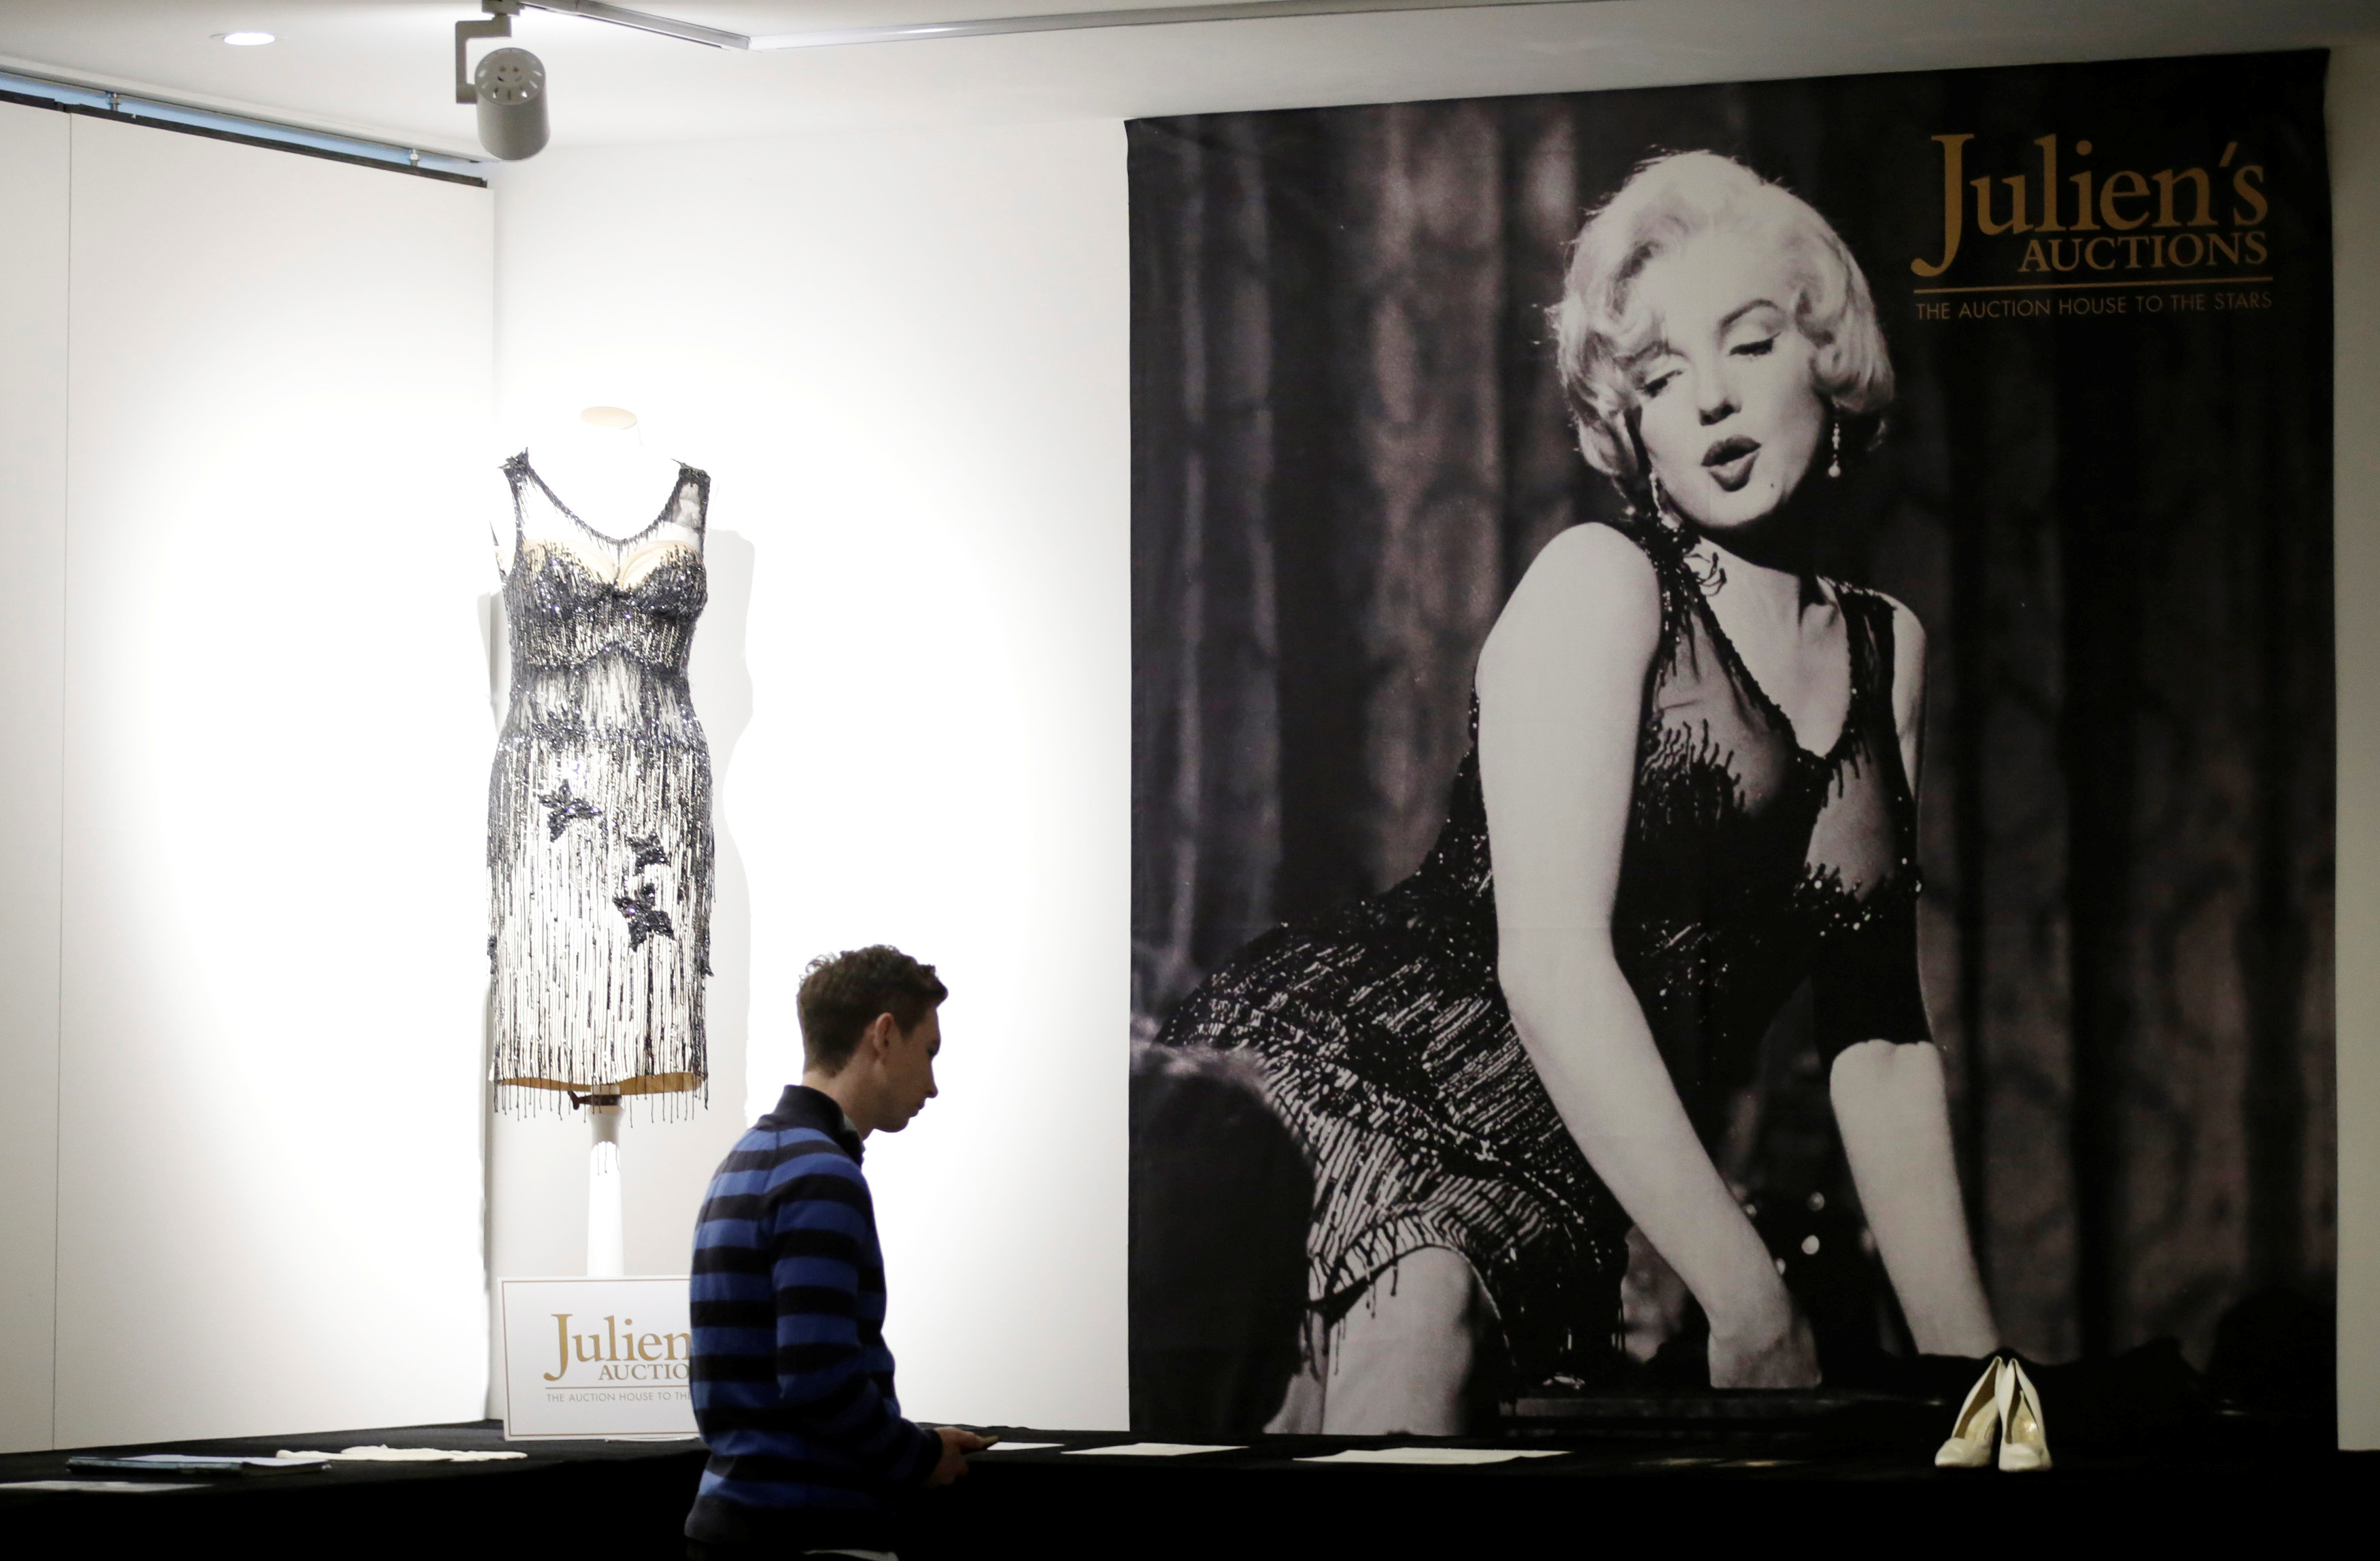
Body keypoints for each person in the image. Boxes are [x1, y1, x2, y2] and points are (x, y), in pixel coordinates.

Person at [1138, 150, 1999, 1436]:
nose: (1710, 399)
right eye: (1661, 379)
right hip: (1375, 1070)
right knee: (1421, 1328)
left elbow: (1876, 1043)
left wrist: (1982, 1386)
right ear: (1634, 432)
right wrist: (1744, 1293)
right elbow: (1550, 970)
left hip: (1563, 1165)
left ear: (1827, 357)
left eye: (1750, 346)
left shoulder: (1890, 649)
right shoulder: (1603, 583)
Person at [686, 945, 987, 1560]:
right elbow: (818, 1380)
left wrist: (914, 1439)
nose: (933, 1084)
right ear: (883, 1035)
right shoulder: (821, 1174)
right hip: (809, 1536)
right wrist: (919, 1455)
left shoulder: (741, 1162)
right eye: (928, 1051)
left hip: (734, 1522)